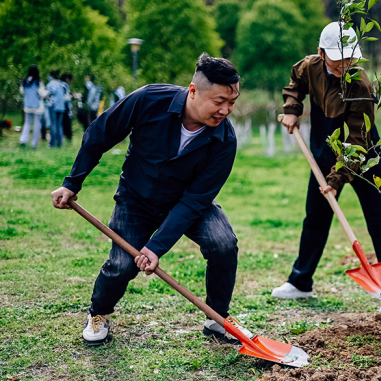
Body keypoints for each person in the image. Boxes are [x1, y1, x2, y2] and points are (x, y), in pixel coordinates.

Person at [50, 53, 241, 346]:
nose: (226, 110)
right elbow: (100, 134)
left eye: (232, 102)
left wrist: (156, 247)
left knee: (223, 243)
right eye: (219, 102)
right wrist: (72, 182)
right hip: (135, 198)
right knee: (121, 266)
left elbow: (195, 200)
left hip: (186, 202)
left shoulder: (224, 140)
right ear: (193, 90)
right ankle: (98, 314)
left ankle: (217, 318)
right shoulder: (150, 99)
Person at [274, 22, 381, 316]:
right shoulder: (309, 67)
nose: (343, 67)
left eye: (349, 60)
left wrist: (336, 179)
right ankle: (301, 282)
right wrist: (292, 109)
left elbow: (357, 140)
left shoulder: (359, 84)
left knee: (379, 223)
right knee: (315, 219)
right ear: (322, 54)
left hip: (362, 159)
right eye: (337, 62)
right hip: (324, 154)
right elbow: (295, 82)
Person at [19, 65, 47, 148]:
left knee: (27, 122)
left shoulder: (24, 82)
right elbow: (42, 93)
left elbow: (22, 92)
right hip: (37, 106)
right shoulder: (39, 82)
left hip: (27, 105)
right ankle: (34, 143)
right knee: (37, 124)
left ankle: (23, 140)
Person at [46, 71, 66, 148]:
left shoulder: (50, 84)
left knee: (53, 124)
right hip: (62, 106)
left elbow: (48, 95)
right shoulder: (62, 84)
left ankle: (52, 143)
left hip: (53, 106)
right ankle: (59, 143)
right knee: (59, 124)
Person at [61, 73, 74, 143]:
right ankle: (68, 137)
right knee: (66, 123)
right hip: (65, 107)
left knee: (64, 123)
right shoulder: (64, 86)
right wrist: (71, 96)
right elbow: (64, 97)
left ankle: (66, 137)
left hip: (64, 107)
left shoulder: (62, 85)